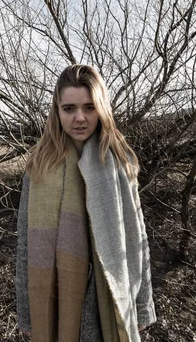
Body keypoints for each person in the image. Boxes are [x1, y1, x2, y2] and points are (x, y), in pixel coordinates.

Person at [16, 64, 156, 342]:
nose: (80, 118)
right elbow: (25, 244)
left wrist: (142, 308)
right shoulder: (40, 167)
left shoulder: (120, 162)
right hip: (59, 294)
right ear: (57, 112)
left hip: (110, 293)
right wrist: (27, 315)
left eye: (89, 107)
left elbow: (138, 237)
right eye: (69, 109)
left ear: (101, 108)